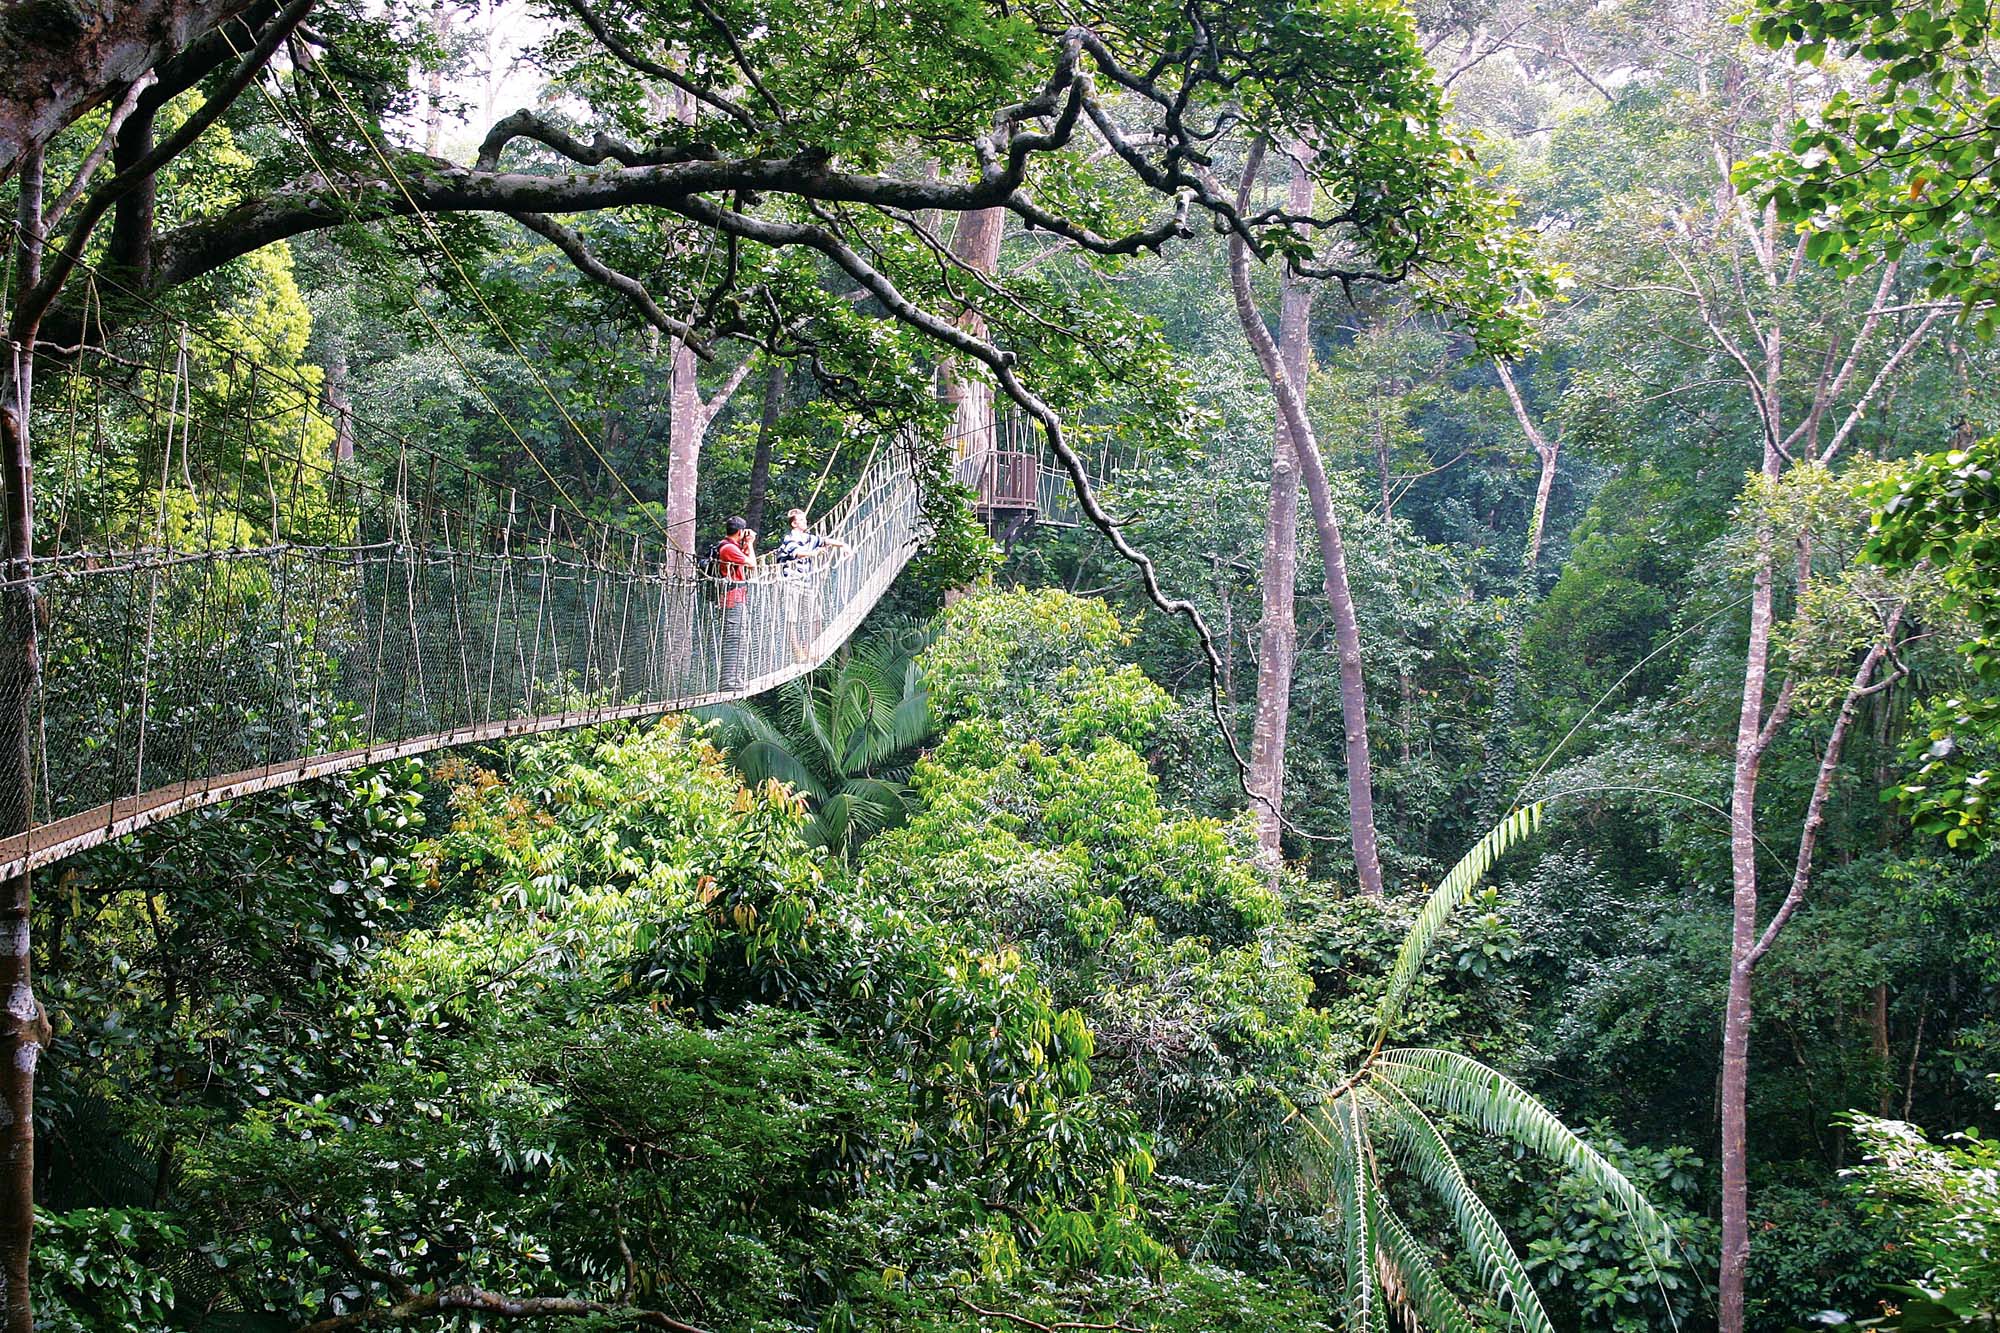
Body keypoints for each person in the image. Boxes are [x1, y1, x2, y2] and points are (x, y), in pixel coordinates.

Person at [773, 508, 844, 662]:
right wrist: (814, 553)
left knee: (816, 617)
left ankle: (807, 649)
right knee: (791, 618)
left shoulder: (809, 538)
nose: (806, 521)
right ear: (794, 523)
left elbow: (825, 541)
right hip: (791, 582)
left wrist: (844, 546)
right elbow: (797, 553)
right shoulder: (789, 539)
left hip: (807, 583)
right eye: (802, 520)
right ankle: (797, 652)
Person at [715, 516, 756, 689]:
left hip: (733, 599)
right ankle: (730, 683)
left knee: (739, 639)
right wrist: (751, 543)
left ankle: (735, 680)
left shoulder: (728, 547)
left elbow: (744, 561)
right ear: (740, 532)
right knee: (735, 640)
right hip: (733, 601)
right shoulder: (729, 548)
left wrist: (746, 545)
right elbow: (752, 564)